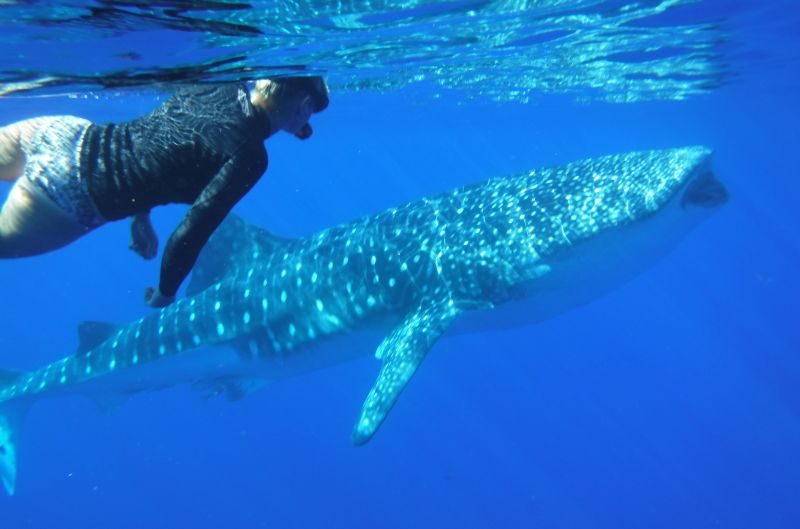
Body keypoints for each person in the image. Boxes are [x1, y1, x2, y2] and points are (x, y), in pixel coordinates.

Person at [0, 76, 329, 307]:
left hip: (63, 132)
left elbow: (155, 143)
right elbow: (193, 229)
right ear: (302, 105)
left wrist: (140, 212)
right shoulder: (250, 156)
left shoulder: (221, 83)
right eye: (310, 111)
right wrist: (166, 292)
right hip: (72, 193)